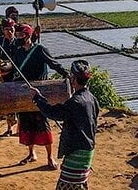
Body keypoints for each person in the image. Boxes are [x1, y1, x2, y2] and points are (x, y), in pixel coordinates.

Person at [33, 60, 100, 189]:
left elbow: (53, 113)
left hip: (77, 151)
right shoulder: (92, 99)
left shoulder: (75, 102)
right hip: (88, 150)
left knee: (67, 186)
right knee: (79, 185)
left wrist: (38, 99)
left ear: (73, 79)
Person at [12, 23, 68, 169]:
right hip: (24, 92)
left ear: (28, 36)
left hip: (39, 92)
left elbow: (53, 64)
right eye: (17, 35)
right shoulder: (18, 52)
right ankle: (31, 153)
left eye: (20, 35)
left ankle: (50, 157)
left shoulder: (39, 50)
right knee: (26, 124)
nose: (18, 38)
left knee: (42, 124)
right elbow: (15, 70)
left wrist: (66, 74)